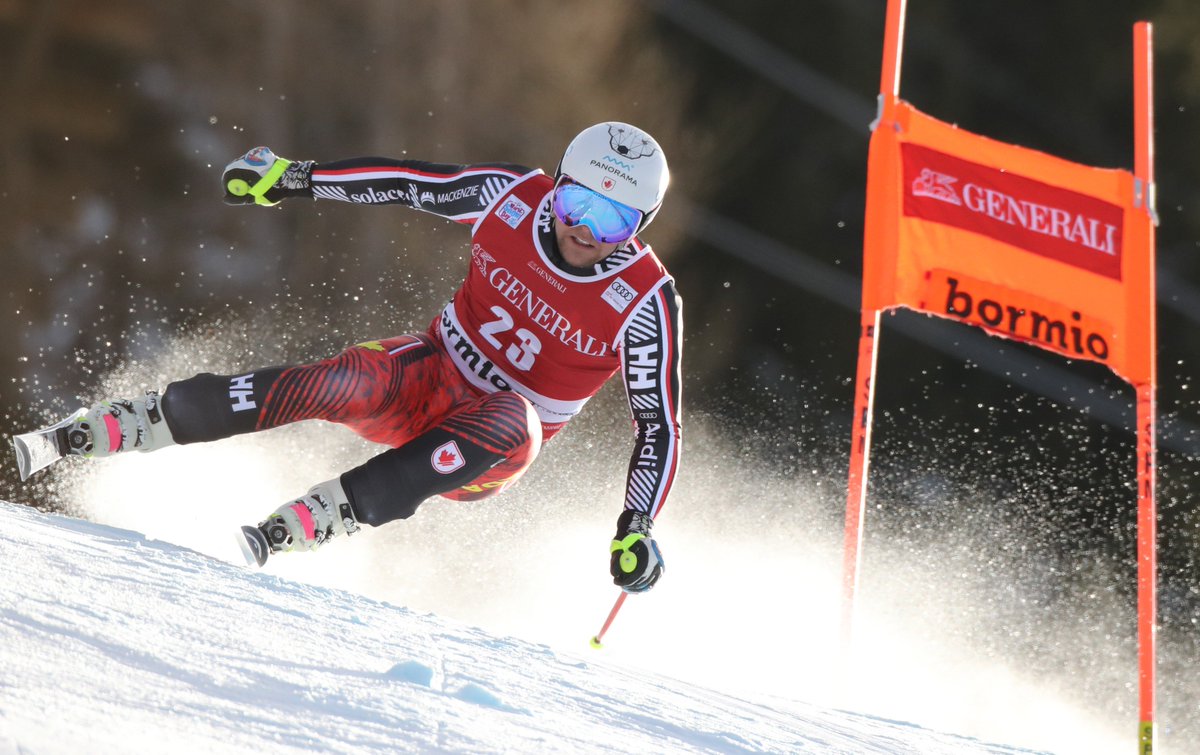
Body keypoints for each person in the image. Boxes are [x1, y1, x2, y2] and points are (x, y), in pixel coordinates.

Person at [43, 122, 682, 593]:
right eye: (577, 205)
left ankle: (337, 510)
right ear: (559, 186)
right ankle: (153, 417)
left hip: (489, 446)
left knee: (515, 415)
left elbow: (657, 425)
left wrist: (637, 524)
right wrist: (293, 177)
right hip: (429, 373)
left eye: (614, 222)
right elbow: (408, 184)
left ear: (641, 228)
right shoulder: (510, 195)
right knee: (350, 380)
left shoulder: (647, 300)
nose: (584, 232)